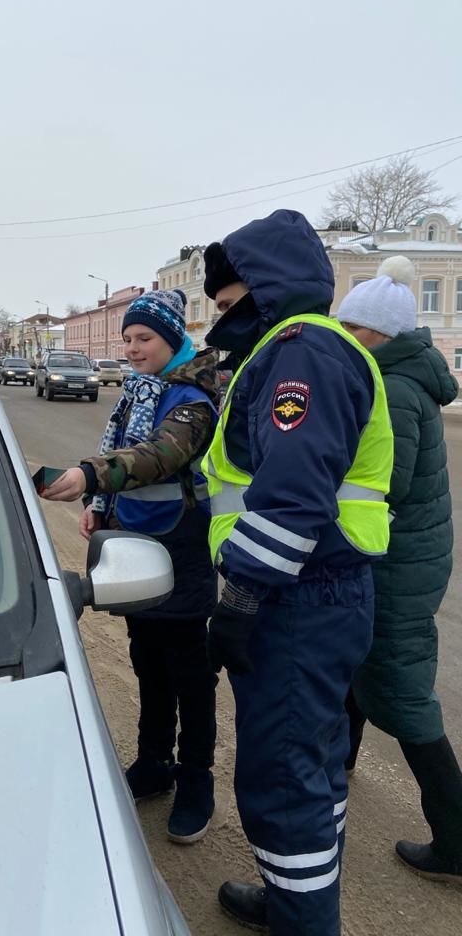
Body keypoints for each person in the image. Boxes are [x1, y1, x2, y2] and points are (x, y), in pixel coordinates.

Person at [201, 209, 394, 936]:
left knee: (285, 781)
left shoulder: (300, 350)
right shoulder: (303, 347)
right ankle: (296, 899)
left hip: (299, 595)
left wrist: (243, 593)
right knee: (310, 768)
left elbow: (292, 493)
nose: (221, 319)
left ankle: (303, 918)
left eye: (227, 305)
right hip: (320, 591)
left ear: (263, 289)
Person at [41, 289, 221, 844]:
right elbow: (119, 445)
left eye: (143, 338)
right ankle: (152, 764)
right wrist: (101, 509)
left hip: (183, 552)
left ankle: (196, 781)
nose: (132, 348)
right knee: (148, 662)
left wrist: (93, 477)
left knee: (190, 674)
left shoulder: (193, 399)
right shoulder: (139, 392)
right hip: (136, 545)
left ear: (172, 340)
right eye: (127, 338)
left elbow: (157, 456)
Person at [336, 255, 462, 883]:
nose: (344, 339)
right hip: (405, 555)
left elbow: (391, 482)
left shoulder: (393, 386)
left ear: (376, 333)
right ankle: (343, 764)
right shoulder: (403, 373)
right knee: (361, 662)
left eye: (351, 329)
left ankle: (456, 840)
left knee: (405, 694)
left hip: (399, 563)